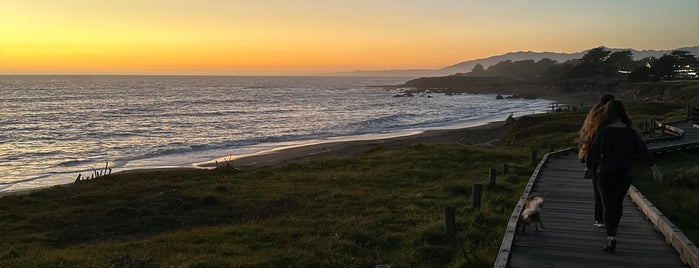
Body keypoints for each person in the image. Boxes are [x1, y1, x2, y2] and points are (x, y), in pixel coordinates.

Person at [587, 100, 663, 253]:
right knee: (618, 203)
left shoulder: (603, 131)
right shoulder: (630, 132)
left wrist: (591, 169)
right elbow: (642, 150)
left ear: (608, 112)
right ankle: (614, 228)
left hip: (606, 172)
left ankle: (611, 237)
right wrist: (654, 168)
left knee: (607, 205)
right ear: (623, 112)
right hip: (625, 173)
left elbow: (593, 153)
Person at [578, 94, 615, 228]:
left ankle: (600, 219)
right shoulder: (608, 118)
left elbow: (585, 137)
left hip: (594, 160)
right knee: (606, 191)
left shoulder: (593, 116)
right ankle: (605, 218)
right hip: (603, 160)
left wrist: (584, 159)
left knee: (599, 191)